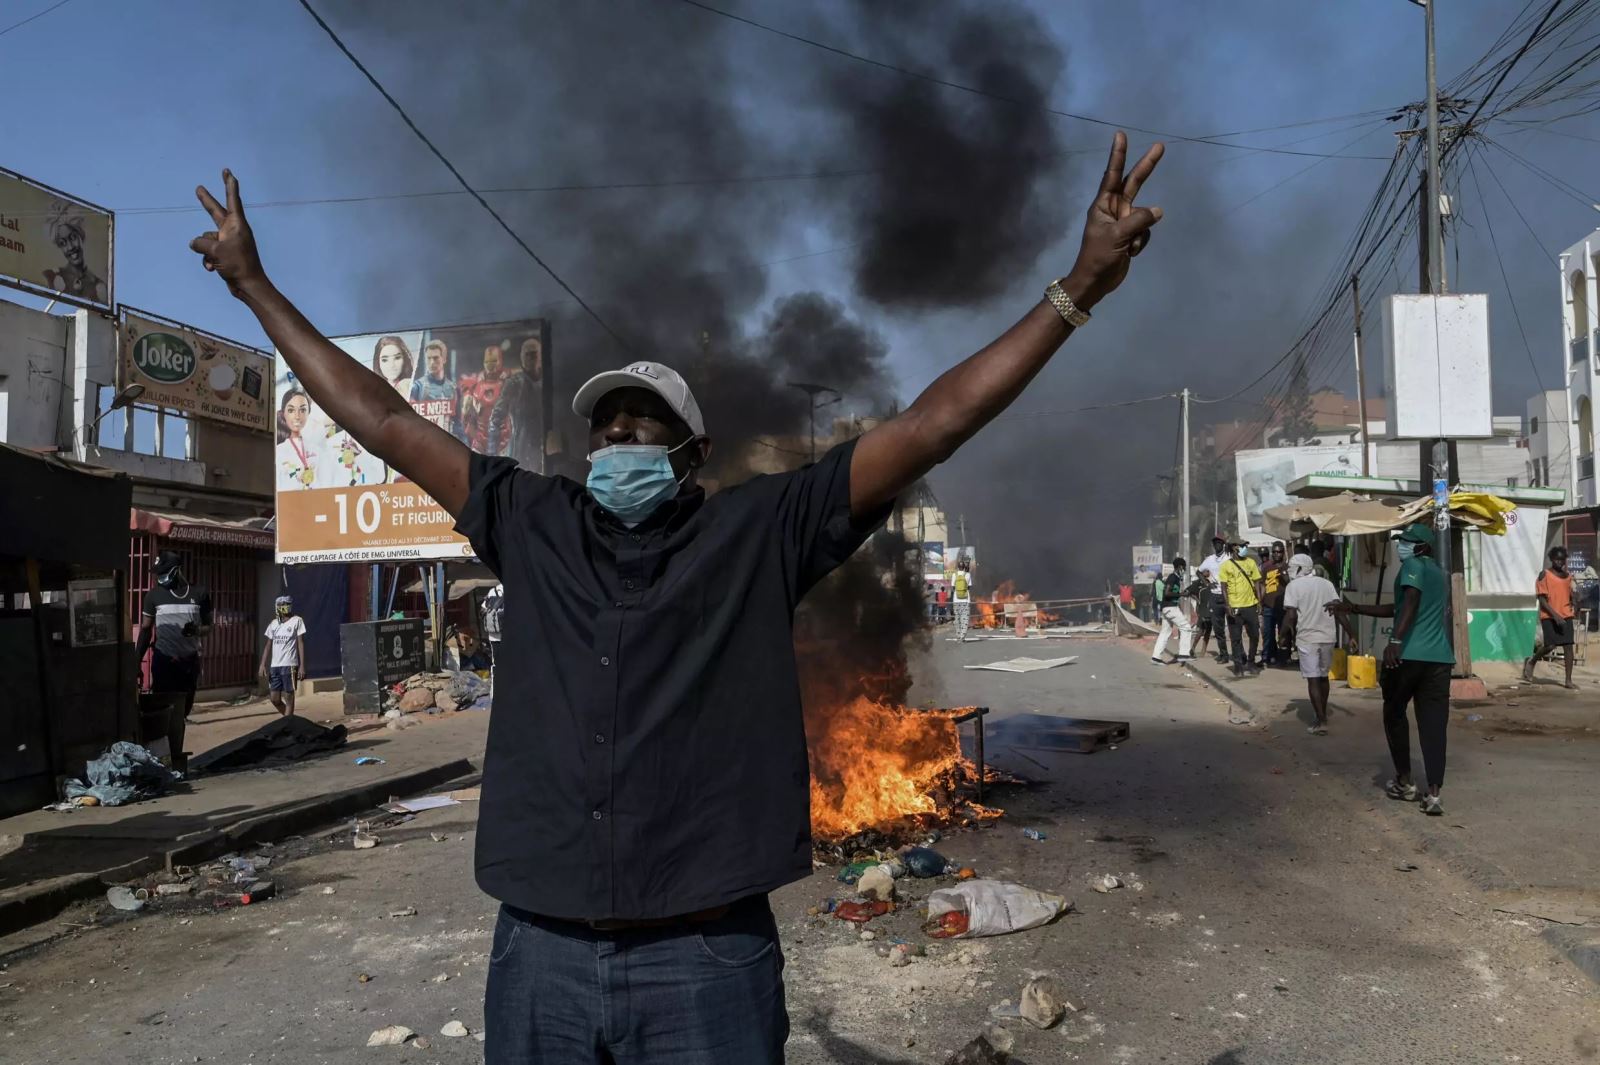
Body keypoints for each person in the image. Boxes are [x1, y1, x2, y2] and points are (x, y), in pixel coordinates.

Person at [188, 132, 1164, 1062]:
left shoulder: (757, 532)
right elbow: (384, 417)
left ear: (693, 456)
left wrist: (1075, 290)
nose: (620, 444)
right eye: (606, 429)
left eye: (644, 430)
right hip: (540, 957)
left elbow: (930, 426)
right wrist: (253, 286)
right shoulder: (528, 520)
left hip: (704, 962)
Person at [1329, 523, 1454, 815]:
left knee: (1394, 713)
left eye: (1408, 542)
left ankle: (1405, 781)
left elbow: (1409, 600)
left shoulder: (1413, 565)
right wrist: (1355, 608)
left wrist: (1395, 640)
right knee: (1434, 725)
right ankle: (1433, 793)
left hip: (1407, 656)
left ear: (1422, 547)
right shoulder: (1439, 574)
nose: (1402, 546)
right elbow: (1398, 606)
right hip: (1439, 659)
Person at [133, 550, 212, 773]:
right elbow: (146, 630)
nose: (159, 577)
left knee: (182, 713)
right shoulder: (153, 596)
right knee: (163, 713)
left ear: (176, 571)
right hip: (164, 661)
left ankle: (176, 755)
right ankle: (162, 762)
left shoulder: (200, 594)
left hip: (189, 664)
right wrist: (136, 662)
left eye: (163, 573)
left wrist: (196, 629)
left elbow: (209, 627)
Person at [1280, 553, 1352, 734]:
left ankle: (1321, 719)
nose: (1288, 571)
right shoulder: (1326, 584)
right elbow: (1339, 611)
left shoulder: (1293, 586)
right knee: (1323, 677)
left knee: (1312, 679)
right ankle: (1322, 714)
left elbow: (1291, 615)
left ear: (1298, 569)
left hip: (1307, 638)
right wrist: (1352, 634)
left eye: (1290, 568)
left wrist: (1283, 635)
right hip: (1328, 636)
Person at [1524, 546, 1579, 688]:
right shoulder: (1545, 575)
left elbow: (1568, 594)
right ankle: (1532, 661)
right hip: (1549, 615)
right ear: (1551, 559)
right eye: (1556, 559)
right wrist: (1555, 616)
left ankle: (1568, 680)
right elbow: (1542, 599)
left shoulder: (1568, 576)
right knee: (1550, 645)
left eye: (1562, 559)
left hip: (1566, 614)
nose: (1559, 562)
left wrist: (1574, 602)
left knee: (1568, 646)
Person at [488, 334, 545, 467]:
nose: (531, 359)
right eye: (527, 355)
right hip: (521, 450)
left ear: (540, 356)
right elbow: (496, 419)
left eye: (534, 354)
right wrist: (491, 456)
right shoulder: (514, 384)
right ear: (521, 357)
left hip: (544, 448)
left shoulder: (548, 382)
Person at [1219, 537, 1263, 677]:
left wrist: (1259, 602)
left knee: (1255, 635)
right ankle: (1238, 665)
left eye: (1245, 546)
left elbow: (1257, 583)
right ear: (1234, 547)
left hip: (1250, 605)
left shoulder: (1251, 563)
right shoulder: (1226, 566)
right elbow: (1224, 587)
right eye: (1242, 546)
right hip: (1234, 606)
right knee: (1236, 638)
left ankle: (1251, 662)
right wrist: (1227, 605)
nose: (1245, 548)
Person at [259, 595, 306, 716]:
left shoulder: (297, 621)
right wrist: (262, 664)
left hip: (290, 665)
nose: (281, 607)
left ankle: (288, 724)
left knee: (289, 697)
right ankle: (289, 720)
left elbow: (300, 643)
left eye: (283, 605)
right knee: (274, 699)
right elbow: (268, 645)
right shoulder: (274, 623)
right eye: (279, 605)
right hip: (275, 666)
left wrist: (302, 666)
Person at [275, 386, 326, 491]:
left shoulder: (317, 450)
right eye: (291, 410)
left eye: (302, 410)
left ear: (308, 412)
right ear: (283, 413)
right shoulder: (279, 452)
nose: (297, 416)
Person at [460, 346, 508, 453]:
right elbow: (466, 416)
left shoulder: (509, 383)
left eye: (494, 361)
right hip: (480, 442)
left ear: (500, 360)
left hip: (503, 442)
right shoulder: (475, 384)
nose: (490, 365)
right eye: (487, 362)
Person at [1151, 557, 1194, 664]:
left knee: (1165, 632)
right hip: (1170, 607)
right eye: (1183, 568)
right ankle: (1184, 654)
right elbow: (1167, 593)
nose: (1183, 570)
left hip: (1167, 607)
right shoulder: (1172, 577)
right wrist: (1181, 594)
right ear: (1180, 567)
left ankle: (1156, 657)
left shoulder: (1175, 578)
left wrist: (1181, 594)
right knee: (1186, 627)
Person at [1195, 535, 1231, 662]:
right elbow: (1198, 572)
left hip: (1230, 595)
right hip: (1215, 596)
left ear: (1223, 544)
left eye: (1219, 543)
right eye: (1215, 543)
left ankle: (1239, 655)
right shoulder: (1209, 560)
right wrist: (1207, 583)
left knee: (1233, 626)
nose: (1217, 545)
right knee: (1218, 628)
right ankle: (1224, 654)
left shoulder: (1229, 558)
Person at [1259, 542, 1287, 668]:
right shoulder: (1267, 567)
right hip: (1268, 606)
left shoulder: (1287, 567)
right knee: (1267, 633)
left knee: (1283, 633)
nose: (1276, 554)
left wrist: (1283, 574)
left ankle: (1283, 658)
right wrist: (1260, 601)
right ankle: (1266, 657)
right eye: (1274, 552)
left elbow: (1290, 584)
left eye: (1279, 552)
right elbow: (1262, 585)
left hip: (1283, 606)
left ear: (1283, 553)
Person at [952, 558, 973, 642]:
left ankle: (958, 636)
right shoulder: (967, 575)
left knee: (957, 619)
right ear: (964, 567)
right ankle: (962, 637)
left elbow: (953, 587)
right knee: (965, 620)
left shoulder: (954, 575)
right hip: (965, 600)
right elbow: (969, 587)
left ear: (958, 567)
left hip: (956, 600)